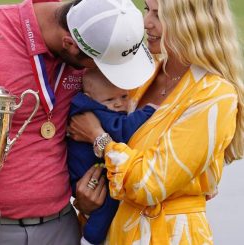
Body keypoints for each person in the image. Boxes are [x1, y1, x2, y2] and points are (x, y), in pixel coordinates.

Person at [0, 0, 155, 244]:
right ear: (69, 44)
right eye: (101, 66)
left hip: (63, 224)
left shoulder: (90, 38)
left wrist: (86, 196)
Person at [68, 0, 244, 244]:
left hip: (170, 234)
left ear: (193, 22)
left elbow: (149, 184)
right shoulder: (142, 75)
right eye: (146, 9)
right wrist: (88, 201)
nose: (146, 23)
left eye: (159, 15)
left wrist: (98, 137)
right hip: (117, 231)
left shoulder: (214, 95)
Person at [68, 68, 156, 245]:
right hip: (89, 172)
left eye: (124, 97)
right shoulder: (95, 111)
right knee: (109, 202)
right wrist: (149, 111)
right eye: (110, 99)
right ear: (89, 96)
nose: (118, 104)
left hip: (86, 169)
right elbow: (121, 130)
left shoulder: (89, 105)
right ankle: (90, 239)